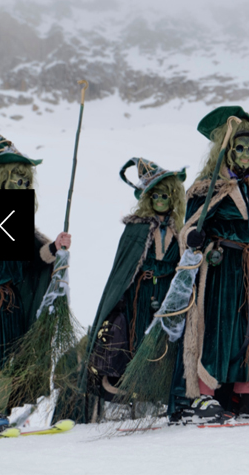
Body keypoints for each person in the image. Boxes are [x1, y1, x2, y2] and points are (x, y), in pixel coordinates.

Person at [174, 106, 249, 422]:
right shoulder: (205, 187)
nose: (246, 153)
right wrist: (194, 239)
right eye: (240, 147)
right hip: (221, 271)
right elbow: (190, 228)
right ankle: (204, 395)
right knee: (217, 330)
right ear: (227, 150)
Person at [80, 158, 186, 421]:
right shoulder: (136, 229)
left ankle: (152, 400)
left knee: (160, 348)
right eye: (156, 195)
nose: (161, 200)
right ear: (148, 198)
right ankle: (120, 403)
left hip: (166, 298)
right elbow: (122, 270)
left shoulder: (180, 231)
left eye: (166, 195)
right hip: (137, 297)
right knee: (130, 346)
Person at [0, 133, 71, 432]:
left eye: (24, 181)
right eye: (14, 179)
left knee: (2, 360)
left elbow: (34, 260)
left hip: (9, 305)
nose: (20, 185)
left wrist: (55, 247)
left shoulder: (18, 219)